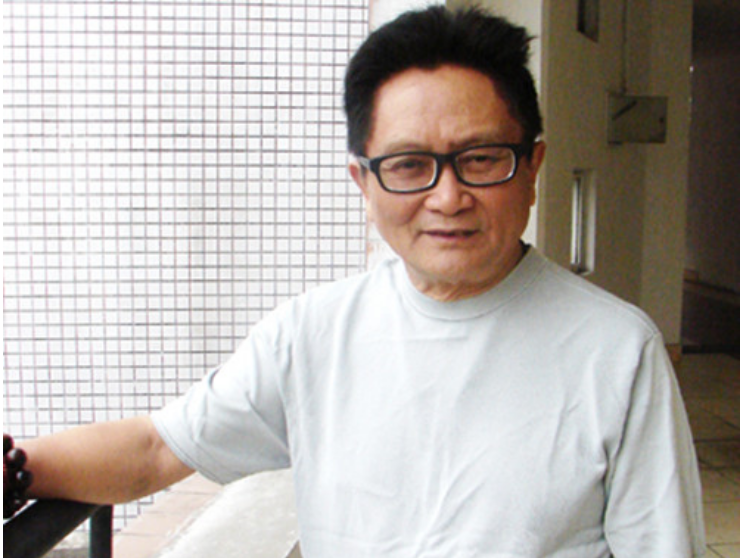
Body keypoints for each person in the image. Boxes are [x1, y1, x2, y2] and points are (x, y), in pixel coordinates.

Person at [4, 6, 704, 557]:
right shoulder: (313, 335)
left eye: (481, 158)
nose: (448, 197)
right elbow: (156, 449)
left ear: (532, 166)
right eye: (408, 166)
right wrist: (13, 467)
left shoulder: (617, 350)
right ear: (362, 183)